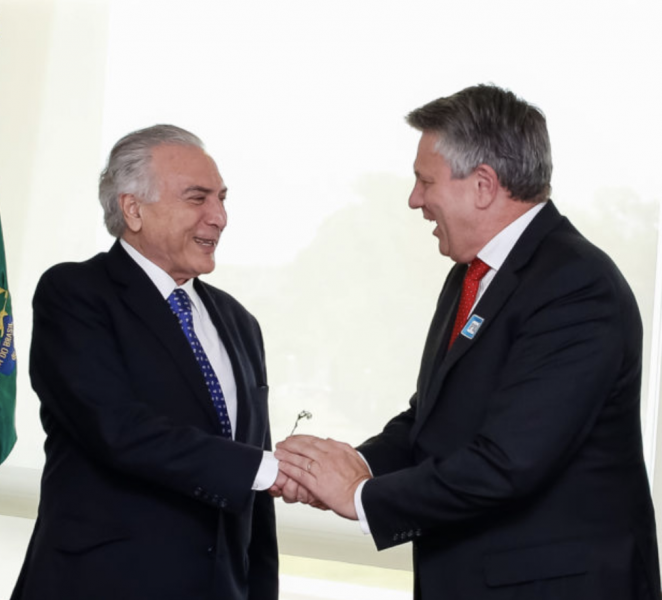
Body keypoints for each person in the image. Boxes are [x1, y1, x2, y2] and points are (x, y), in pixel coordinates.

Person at [274, 84, 661, 599]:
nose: (415, 200)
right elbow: (433, 420)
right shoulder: (472, 275)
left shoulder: (577, 286)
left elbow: (508, 462)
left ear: (482, 185)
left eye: (424, 181)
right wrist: (349, 466)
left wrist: (360, 495)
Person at [11, 124, 279, 600]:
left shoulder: (240, 322)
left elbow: (255, 503)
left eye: (221, 198)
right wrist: (268, 469)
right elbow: (118, 430)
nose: (219, 217)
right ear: (133, 209)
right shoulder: (74, 295)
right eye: (197, 198)